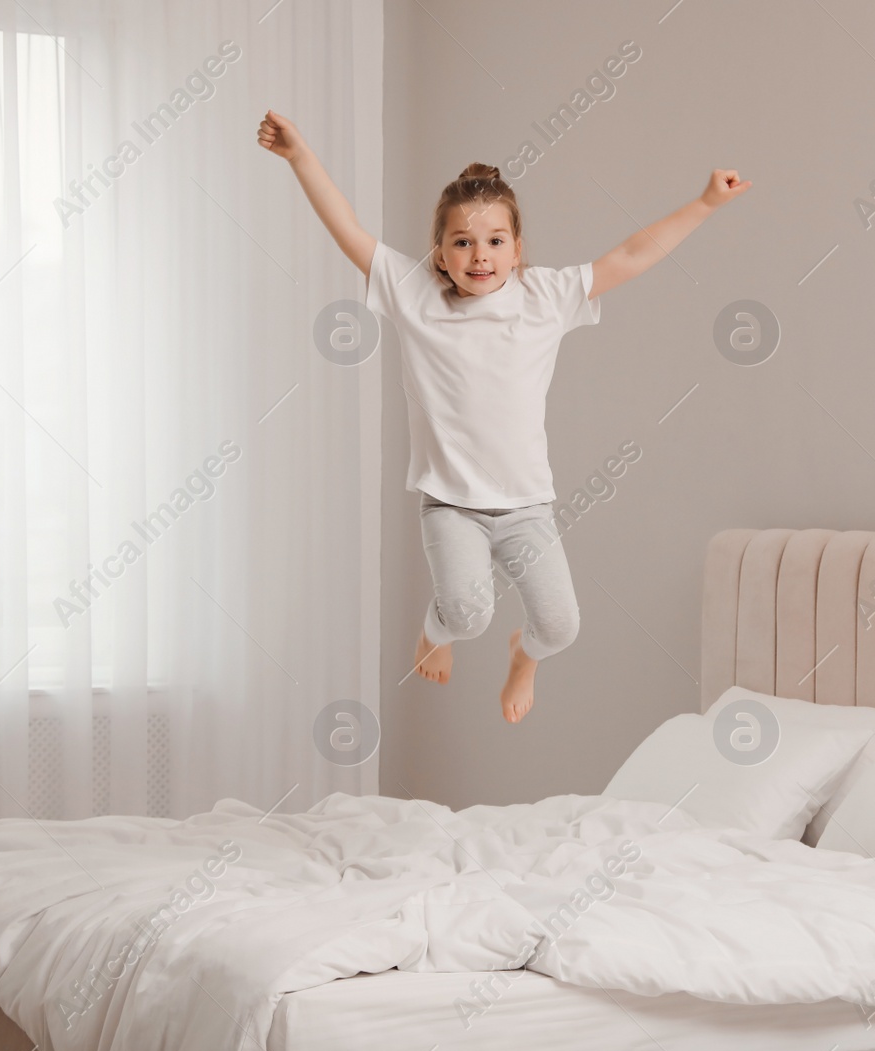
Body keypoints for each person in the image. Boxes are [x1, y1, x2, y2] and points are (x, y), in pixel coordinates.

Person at [258, 110, 750, 722]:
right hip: (451, 503)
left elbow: (629, 255)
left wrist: (703, 203)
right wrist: (301, 155)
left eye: (495, 240)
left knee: (561, 627)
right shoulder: (414, 294)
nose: (479, 254)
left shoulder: (544, 298)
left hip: (527, 506)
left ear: (518, 250)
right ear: (439, 253)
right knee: (467, 615)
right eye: (462, 241)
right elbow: (348, 229)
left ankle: (524, 657)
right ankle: (433, 635)